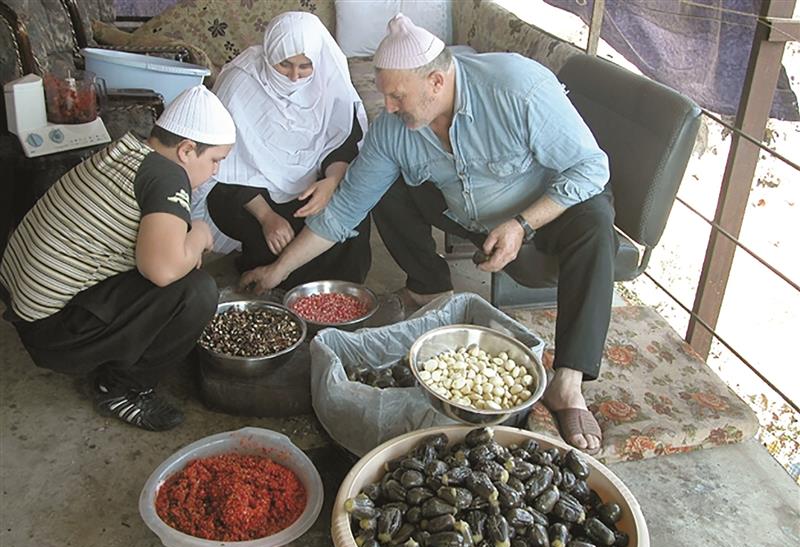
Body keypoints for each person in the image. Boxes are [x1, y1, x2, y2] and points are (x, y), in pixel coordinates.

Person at [239, 14, 616, 454]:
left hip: (545, 212)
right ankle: (429, 288)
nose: (388, 107)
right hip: (469, 215)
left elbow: (592, 168)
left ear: (436, 81)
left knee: (596, 220)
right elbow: (344, 210)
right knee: (382, 187)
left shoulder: (518, 88)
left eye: (397, 96)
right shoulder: (394, 130)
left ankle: (568, 383)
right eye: (385, 94)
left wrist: (522, 224)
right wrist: (277, 271)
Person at [0, 85, 236, 431]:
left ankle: (120, 351)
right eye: (215, 160)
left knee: (180, 263)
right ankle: (122, 390)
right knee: (195, 291)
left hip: (25, 305)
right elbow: (163, 269)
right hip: (53, 332)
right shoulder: (168, 176)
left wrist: (184, 247)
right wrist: (199, 235)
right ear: (186, 150)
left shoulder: (127, 152)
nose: (215, 171)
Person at [205, 11, 371, 289]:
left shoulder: (329, 79)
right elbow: (225, 165)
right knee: (266, 235)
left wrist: (331, 182)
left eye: (305, 66)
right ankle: (270, 274)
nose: (295, 77)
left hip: (316, 183)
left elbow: (344, 140)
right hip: (253, 196)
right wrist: (266, 217)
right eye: (284, 64)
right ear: (270, 54)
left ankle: (336, 290)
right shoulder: (240, 82)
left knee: (350, 204)